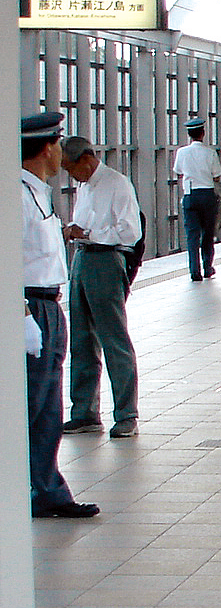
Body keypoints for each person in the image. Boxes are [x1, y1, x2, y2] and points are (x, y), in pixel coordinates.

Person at [20, 111, 97, 519]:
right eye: (57, 145)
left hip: (48, 305)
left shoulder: (38, 191)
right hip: (30, 308)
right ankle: (29, 490)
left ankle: (48, 491)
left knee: (48, 408)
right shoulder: (15, 194)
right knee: (30, 407)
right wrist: (20, 315)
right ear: (46, 148)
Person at [57, 136, 142, 440]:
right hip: (82, 259)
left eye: (71, 168)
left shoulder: (117, 184)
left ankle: (126, 414)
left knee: (113, 337)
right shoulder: (84, 185)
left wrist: (90, 233)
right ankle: (84, 412)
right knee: (80, 339)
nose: (70, 175)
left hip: (106, 260)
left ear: (87, 159)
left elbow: (130, 231)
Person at [172, 117, 221, 281]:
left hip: (190, 196)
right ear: (203, 133)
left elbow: (178, 171)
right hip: (207, 195)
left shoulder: (182, 152)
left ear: (189, 135)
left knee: (192, 235)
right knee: (208, 233)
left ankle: (194, 272)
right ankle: (208, 267)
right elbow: (217, 176)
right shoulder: (210, 153)